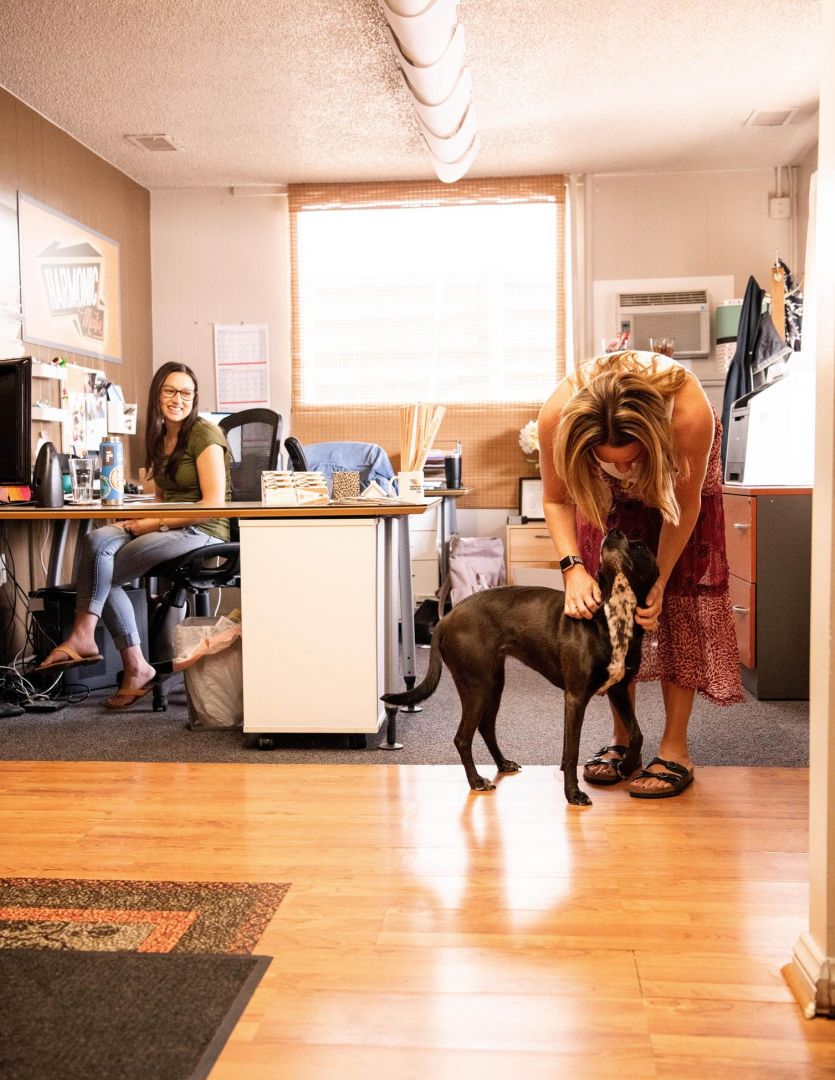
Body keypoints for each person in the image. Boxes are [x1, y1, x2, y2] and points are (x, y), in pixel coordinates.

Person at [538, 350, 743, 798]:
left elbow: (683, 505)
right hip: (606, 499)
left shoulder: (687, 412)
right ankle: (624, 739)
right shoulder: (557, 415)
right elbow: (556, 499)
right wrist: (572, 569)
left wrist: (661, 580)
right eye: (610, 460)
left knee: (680, 606)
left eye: (631, 459)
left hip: (678, 490)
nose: (623, 470)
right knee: (613, 606)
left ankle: (675, 750)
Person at [36, 362, 232, 709]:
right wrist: (138, 516)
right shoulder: (159, 436)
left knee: (104, 572)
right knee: (96, 542)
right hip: (170, 523)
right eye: (170, 391)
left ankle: (105, 649)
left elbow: (213, 505)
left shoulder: (205, 434)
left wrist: (153, 524)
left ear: (194, 398)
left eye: (186, 393)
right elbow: (161, 497)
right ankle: (120, 657)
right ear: (157, 394)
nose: (178, 399)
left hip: (202, 530)